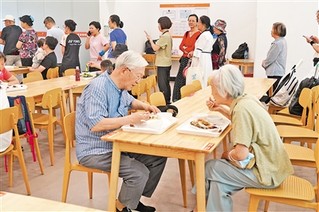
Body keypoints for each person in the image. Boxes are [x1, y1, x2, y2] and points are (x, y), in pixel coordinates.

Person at [76, 50, 166, 212]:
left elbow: (129, 101)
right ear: (125, 70)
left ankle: (131, 199)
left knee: (157, 156)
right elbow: (97, 124)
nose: (139, 81)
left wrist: (145, 106)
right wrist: (130, 120)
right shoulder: (98, 88)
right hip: (95, 150)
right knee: (138, 172)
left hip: (117, 143)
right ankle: (121, 207)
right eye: (138, 76)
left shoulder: (119, 86)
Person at [202, 64, 293, 211]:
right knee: (219, 184)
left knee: (211, 167)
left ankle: (200, 205)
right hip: (275, 165)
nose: (211, 91)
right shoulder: (246, 100)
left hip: (267, 172)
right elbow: (239, 118)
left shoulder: (241, 110)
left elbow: (240, 155)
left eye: (212, 88)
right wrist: (219, 109)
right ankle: (202, 207)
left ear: (224, 91)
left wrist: (226, 154)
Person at [172, 14, 201, 102]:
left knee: (189, 79)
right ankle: (177, 98)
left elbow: (194, 48)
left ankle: (188, 99)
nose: (191, 22)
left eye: (193, 21)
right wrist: (187, 51)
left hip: (192, 60)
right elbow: (181, 46)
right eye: (189, 20)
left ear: (197, 22)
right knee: (179, 78)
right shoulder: (186, 33)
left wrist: (186, 49)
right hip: (184, 59)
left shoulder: (199, 34)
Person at [145, 16, 173, 104]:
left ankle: (165, 101)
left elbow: (154, 48)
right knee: (166, 83)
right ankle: (167, 101)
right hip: (167, 62)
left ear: (162, 25)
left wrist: (150, 39)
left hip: (162, 64)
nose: (158, 26)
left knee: (162, 84)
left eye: (159, 25)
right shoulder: (168, 35)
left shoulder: (165, 36)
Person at [262, 22, 287, 91]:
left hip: (274, 72)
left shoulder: (277, 44)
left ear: (276, 31)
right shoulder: (283, 41)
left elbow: (270, 58)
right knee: (274, 92)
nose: (271, 31)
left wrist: (264, 63)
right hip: (279, 71)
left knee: (271, 92)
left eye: (272, 29)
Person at [191, 15, 215, 88]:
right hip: (206, 59)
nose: (197, 24)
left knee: (200, 79)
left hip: (201, 59)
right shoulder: (209, 35)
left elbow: (198, 52)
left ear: (203, 24)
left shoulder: (203, 35)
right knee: (206, 78)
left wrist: (193, 66)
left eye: (198, 22)